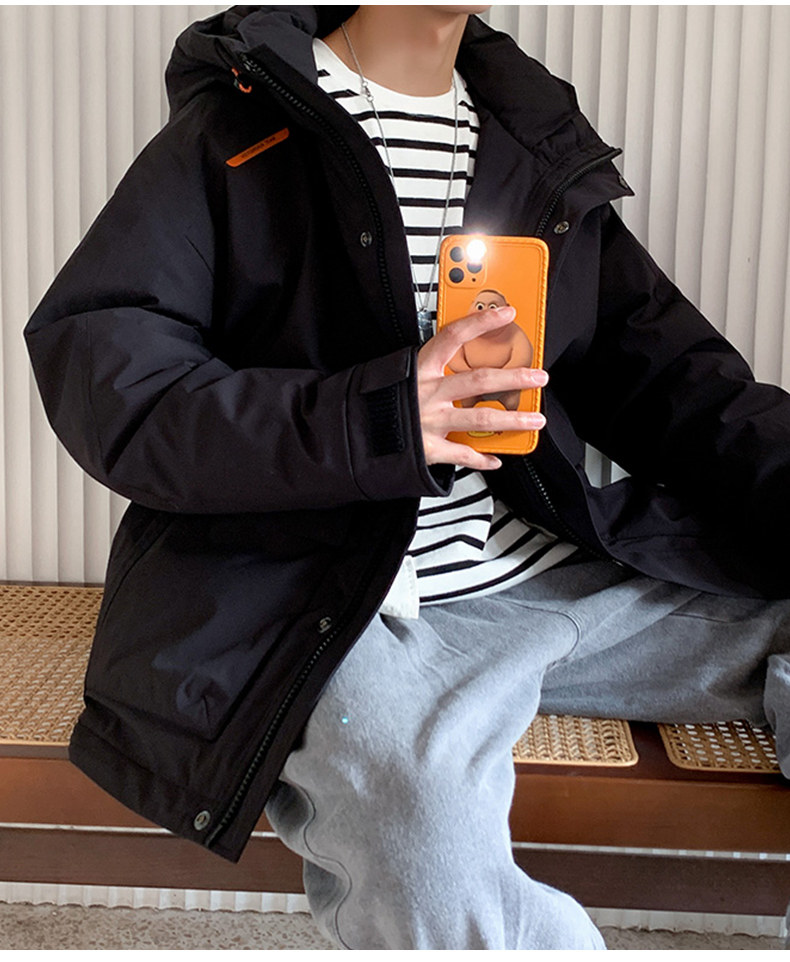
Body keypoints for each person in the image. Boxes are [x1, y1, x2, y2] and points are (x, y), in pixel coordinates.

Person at [23, 4, 790, 950]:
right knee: (427, 849)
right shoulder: (239, 131)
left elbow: (677, 382)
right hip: (345, 606)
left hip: (553, 575)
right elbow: (116, 388)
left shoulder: (532, 146)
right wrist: (378, 418)